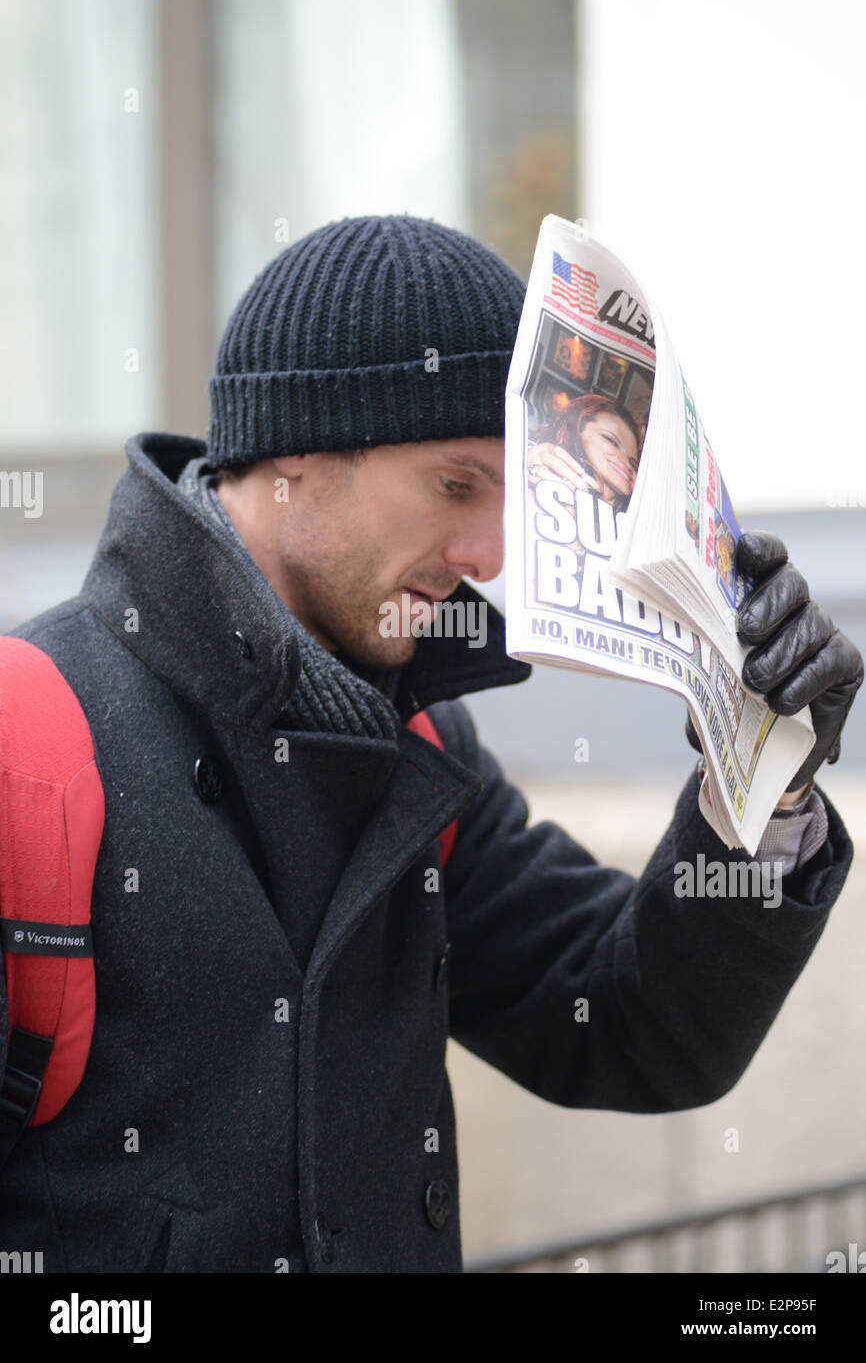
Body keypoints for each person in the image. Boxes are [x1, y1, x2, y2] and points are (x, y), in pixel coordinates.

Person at [0, 215, 861, 1274]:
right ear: (295, 452)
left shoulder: (415, 741)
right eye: (456, 485)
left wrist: (758, 785)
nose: (486, 554)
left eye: (512, 497)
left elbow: (628, 1028)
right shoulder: (30, 745)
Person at [528, 392, 641, 513]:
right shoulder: (538, 463)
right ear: (577, 427)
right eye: (611, 441)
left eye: (634, 464)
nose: (627, 465)